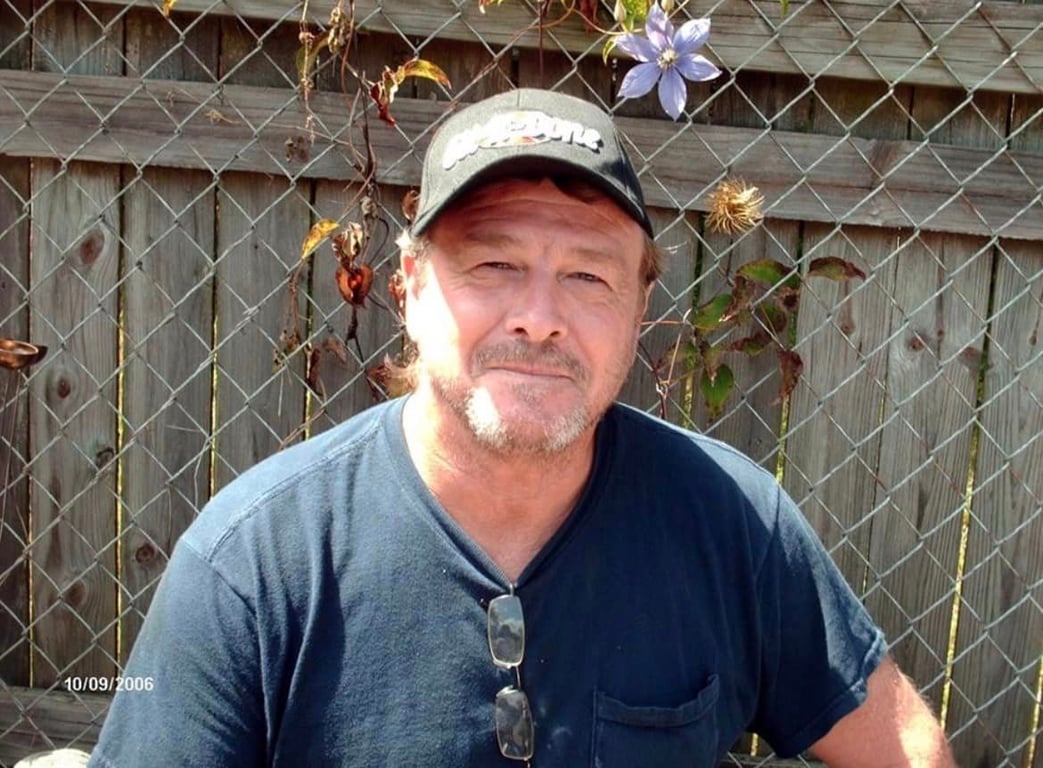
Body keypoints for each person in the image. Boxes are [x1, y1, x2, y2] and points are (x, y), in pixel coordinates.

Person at [88, 88, 955, 767]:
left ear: (639, 307)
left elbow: (905, 746)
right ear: (410, 288)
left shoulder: (730, 523)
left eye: (587, 276)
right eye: (494, 263)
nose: (538, 318)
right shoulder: (254, 565)